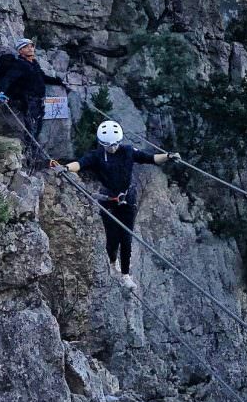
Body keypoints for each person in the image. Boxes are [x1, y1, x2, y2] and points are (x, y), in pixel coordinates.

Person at [54, 120, 180, 289]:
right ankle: (113, 263)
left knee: (126, 238)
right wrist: (66, 168)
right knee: (113, 238)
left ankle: (126, 275)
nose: (112, 148)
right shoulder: (97, 155)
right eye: (108, 145)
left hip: (128, 198)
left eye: (114, 145)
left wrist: (168, 156)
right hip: (109, 201)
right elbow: (81, 163)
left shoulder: (128, 151)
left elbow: (149, 158)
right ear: (102, 144)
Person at [0, 38, 66, 157]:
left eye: (32, 46)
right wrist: (2, 91)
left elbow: (41, 77)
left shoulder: (33, 63)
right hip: (29, 101)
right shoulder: (19, 65)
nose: (31, 48)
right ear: (20, 51)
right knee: (31, 128)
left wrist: (57, 81)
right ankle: (30, 155)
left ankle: (32, 154)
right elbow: (8, 78)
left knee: (37, 128)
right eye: (27, 47)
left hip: (39, 101)